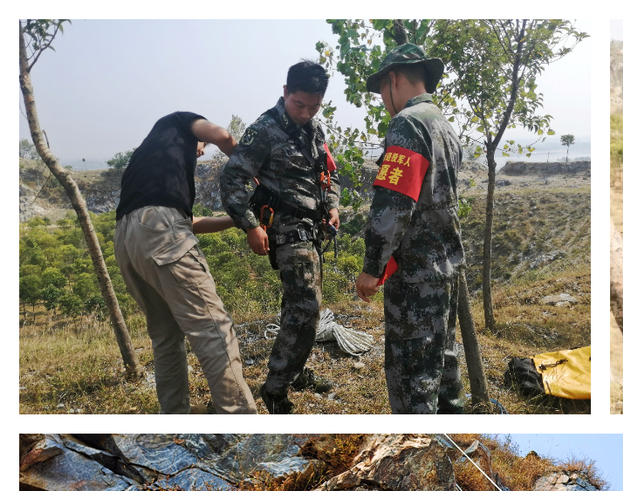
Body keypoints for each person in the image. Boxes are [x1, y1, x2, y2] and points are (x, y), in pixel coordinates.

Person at [113, 113, 257, 414]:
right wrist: (253, 173)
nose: (201, 151)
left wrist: (241, 220)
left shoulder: (153, 163)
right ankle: (240, 420)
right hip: (159, 230)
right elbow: (223, 137)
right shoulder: (179, 121)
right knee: (213, 329)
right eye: (200, 144)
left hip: (128, 239)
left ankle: (175, 420)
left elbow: (188, 222)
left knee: (165, 335)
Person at [353, 30, 464, 414]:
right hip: (445, 267)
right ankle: (454, 438)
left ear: (394, 80)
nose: (384, 102)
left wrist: (373, 265)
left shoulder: (407, 124)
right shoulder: (445, 125)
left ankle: (417, 449)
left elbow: (395, 202)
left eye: (382, 90)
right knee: (443, 365)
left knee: (412, 375)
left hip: (415, 274)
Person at [221, 59, 340, 414]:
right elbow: (232, 179)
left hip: (313, 228)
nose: (305, 113)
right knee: (307, 308)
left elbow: (328, 174)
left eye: (313, 107)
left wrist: (332, 206)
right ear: (285, 92)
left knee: (297, 306)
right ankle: (275, 389)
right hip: (286, 229)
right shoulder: (264, 130)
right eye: (298, 104)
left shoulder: (314, 129)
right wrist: (250, 225)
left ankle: (293, 371)